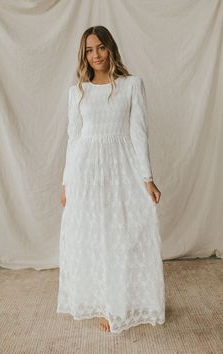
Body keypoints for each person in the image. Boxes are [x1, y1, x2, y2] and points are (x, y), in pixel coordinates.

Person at [57, 25, 165, 334]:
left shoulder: (132, 85)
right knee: (94, 236)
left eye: (100, 48)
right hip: (86, 174)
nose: (95, 55)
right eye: (89, 50)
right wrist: (66, 184)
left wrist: (147, 179)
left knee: (123, 236)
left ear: (111, 48)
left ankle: (122, 300)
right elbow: (73, 139)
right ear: (84, 54)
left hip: (122, 170)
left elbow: (139, 133)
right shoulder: (77, 92)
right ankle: (104, 303)